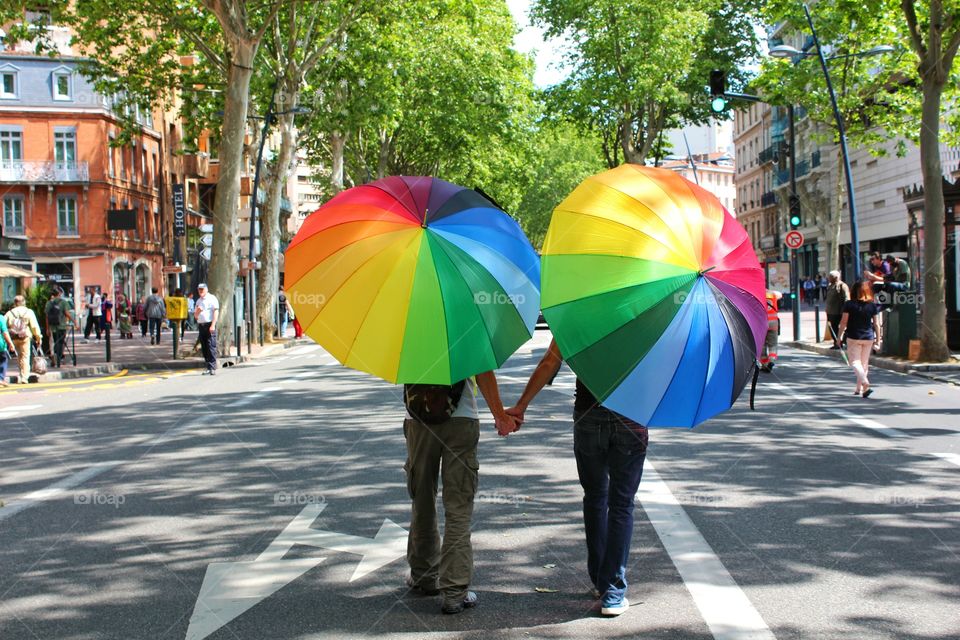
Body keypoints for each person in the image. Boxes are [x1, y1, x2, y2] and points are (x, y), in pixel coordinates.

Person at [505, 338, 646, 617]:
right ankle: (613, 592)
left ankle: (599, 580)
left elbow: (549, 362)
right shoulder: (649, 310)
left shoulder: (578, 310)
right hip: (631, 417)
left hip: (588, 417)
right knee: (621, 505)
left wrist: (521, 406)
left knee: (595, 497)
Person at [402, 374, 518, 615]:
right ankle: (454, 592)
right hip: (462, 419)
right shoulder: (468, 333)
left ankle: (424, 575)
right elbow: (484, 371)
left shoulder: (401, 334)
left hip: (418, 419)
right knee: (458, 508)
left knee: (422, 499)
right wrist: (500, 416)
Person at [835, 280, 881, 398]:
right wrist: (878, 340)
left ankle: (865, 383)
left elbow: (844, 322)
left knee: (855, 362)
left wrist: (839, 337)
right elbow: (876, 324)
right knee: (864, 364)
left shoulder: (849, 304)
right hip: (869, 337)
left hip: (853, 336)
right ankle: (859, 389)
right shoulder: (872, 305)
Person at [4, 295, 43, 384]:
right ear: (24, 302)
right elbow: (34, 326)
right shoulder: (29, 312)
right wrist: (38, 337)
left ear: (15, 303)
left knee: (19, 357)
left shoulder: (10, 312)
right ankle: (24, 377)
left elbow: (3, 323)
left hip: (14, 337)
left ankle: (22, 373)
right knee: (25, 356)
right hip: (25, 337)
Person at [44, 286, 78, 368]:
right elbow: (67, 313)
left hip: (52, 327)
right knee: (61, 342)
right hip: (62, 326)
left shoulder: (49, 303)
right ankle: (58, 357)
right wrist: (74, 322)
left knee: (55, 341)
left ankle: (55, 356)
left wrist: (47, 328)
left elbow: (47, 317)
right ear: (59, 293)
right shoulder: (63, 302)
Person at [194, 283, 220, 375]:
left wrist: (213, 325)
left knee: (211, 346)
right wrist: (197, 311)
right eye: (199, 289)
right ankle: (208, 366)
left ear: (206, 289)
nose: (200, 291)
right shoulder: (198, 301)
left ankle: (212, 367)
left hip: (209, 325)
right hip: (201, 325)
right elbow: (196, 316)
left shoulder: (212, 298)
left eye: (202, 289)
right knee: (204, 347)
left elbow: (216, 312)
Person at [824, 271, 850, 349]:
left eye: (830, 276)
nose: (829, 278)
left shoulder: (842, 285)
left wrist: (845, 310)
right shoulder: (830, 286)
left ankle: (842, 341)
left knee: (843, 327)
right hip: (830, 312)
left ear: (836, 277)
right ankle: (836, 342)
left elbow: (846, 299)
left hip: (839, 311)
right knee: (832, 328)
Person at [761, 289, 782, 372]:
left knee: (762, 345)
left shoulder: (759, 293)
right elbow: (780, 295)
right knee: (773, 344)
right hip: (774, 323)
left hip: (763, 323)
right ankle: (772, 360)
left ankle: (764, 364)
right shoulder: (773, 294)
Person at [0, 312, 16, 386]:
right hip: (1, 345)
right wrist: (10, 343)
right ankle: (0, 378)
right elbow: (5, 333)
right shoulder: (1, 318)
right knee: (3, 361)